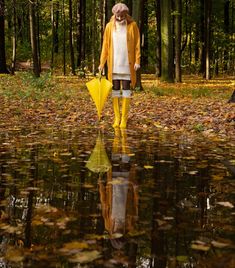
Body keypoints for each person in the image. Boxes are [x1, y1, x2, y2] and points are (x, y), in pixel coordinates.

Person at [98, 3, 141, 129]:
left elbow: (137, 44)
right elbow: (105, 46)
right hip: (114, 63)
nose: (120, 18)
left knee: (126, 88)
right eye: (118, 15)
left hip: (127, 63)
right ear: (114, 14)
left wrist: (137, 60)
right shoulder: (109, 27)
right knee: (115, 89)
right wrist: (102, 63)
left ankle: (124, 118)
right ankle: (116, 117)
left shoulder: (132, 26)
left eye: (123, 15)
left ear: (126, 14)